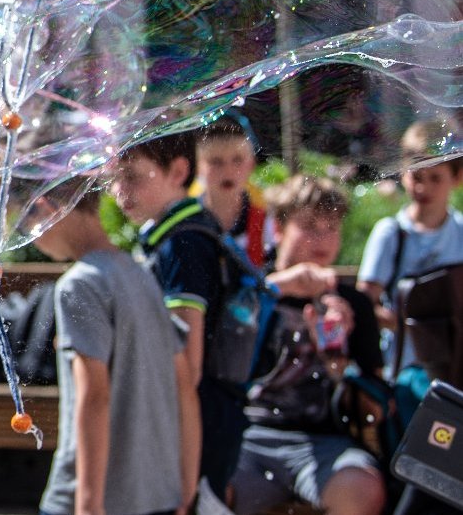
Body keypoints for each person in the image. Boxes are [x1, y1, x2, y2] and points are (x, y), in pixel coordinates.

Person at [31, 188, 197, 515]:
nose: (32, 240)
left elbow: (94, 396)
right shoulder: (141, 274)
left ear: (46, 207)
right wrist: (185, 486)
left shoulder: (79, 284)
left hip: (94, 497)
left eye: (26, 226)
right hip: (157, 494)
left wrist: (89, 504)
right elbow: (185, 387)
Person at [232, 178, 385, 515]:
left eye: (331, 227)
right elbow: (222, 356)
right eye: (309, 226)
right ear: (279, 229)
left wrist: (338, 362)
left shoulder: (350, 303)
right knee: (216, 484)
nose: (322, 239)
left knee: (362, 488)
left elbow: (374, 393)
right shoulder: (255, 291)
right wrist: (275, 290)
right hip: (250, 434)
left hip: (323, 439)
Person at [108, 132, 244, 501]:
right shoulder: (178, 234)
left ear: (179, 171)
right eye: (114, 178)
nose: (120, 190)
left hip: (197, 419)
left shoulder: (184, 243)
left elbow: (187, 362)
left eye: (132, 176)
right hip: (198, 412)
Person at [357, 118, 463, 372]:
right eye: (416, 176)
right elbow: (364, 303)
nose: (423, 187)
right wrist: (395, 320)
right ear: (403, 174)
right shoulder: (391, 233)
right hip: (402, 368)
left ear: (457, 178)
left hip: (454, 368)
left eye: (435, 178)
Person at [194, 114, 274, 268]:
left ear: (251, 164)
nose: (228, 171)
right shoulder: (186, 218)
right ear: (198, 168)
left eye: (237, 160)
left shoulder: (265, 218)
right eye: (215, 162)